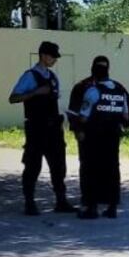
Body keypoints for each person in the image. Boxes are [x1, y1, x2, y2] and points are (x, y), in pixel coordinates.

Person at [8, 41, 75, 215]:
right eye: (53, 56)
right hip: (36, 128)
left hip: (53, 128)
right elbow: (13, 98)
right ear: (43, 56)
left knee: (58, 165)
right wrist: (35, 92)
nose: (55, 60)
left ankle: (61, 201)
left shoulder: (53, 77)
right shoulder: (30, 76)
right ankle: (29, 202)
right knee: (33, 165)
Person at [75, 62, 129, 219]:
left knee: (92, 170)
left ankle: (92, 208)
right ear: (108, 72)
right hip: (113, 137)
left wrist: (77, 123)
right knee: (112, 170)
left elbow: (84, 117)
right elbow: (125, 116)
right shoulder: (120, 91)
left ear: (94, 75)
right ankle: (112, 208)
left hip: (95, 137)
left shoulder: (93, 91)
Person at [67, 56, 129, 136]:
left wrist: (124, 123)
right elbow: (73, 110)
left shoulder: (118, 88)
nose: (100, 70)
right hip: (90, 132)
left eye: (103, 67)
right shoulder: (82, 86)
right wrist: (77, 129)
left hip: (111, 132)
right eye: (99, 67)